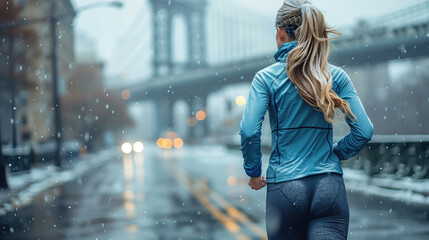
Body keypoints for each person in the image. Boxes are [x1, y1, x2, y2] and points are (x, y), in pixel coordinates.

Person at [239, 0, 374, 239]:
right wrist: (334, 154)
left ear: (280, 33)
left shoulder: (265, 79)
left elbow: (250, 131)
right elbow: (363, 131)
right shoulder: (335, 75)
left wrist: (254, 171)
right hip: (329, 187)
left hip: (286, 187)